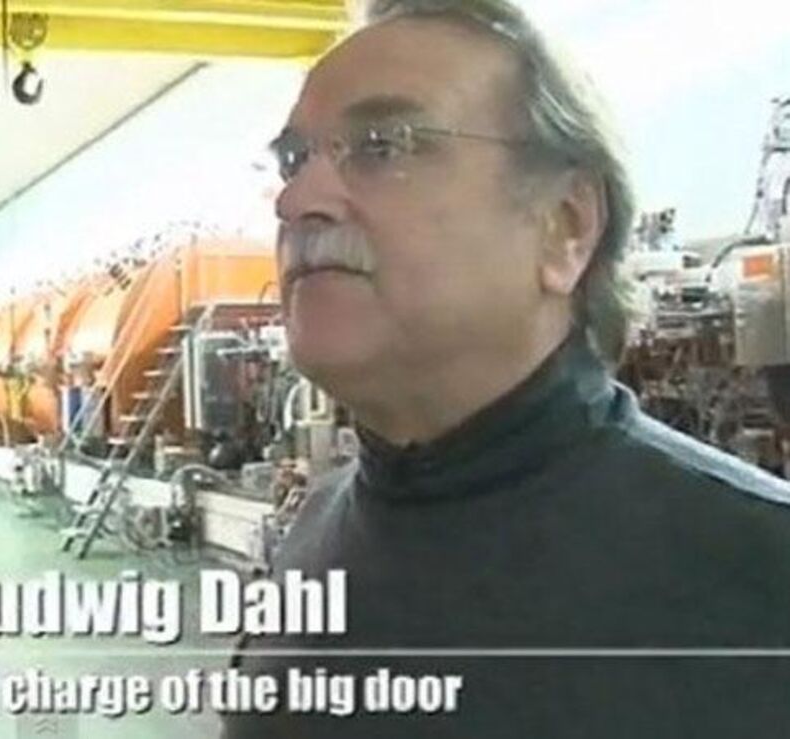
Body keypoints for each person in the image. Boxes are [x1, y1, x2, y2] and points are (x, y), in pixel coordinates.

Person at [221, 0, 790, 736]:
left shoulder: (760, 579)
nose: (296, 199)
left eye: (383, 145)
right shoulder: (313, 533)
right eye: (295, 159)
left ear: (565, 228)